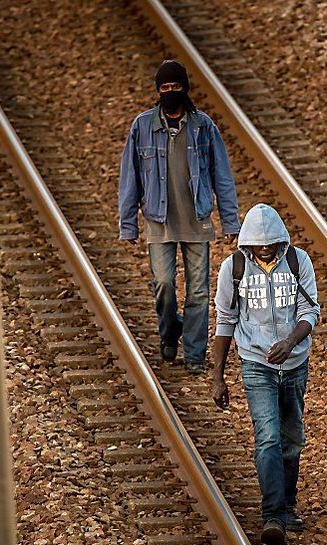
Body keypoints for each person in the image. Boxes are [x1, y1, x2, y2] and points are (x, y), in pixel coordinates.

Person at [118, 60, 240, 375]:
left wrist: (230, 222)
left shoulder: (203, 126)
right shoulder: (142, 126)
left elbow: (222, 176)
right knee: (163, 284)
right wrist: (128, 224)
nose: (171, 92)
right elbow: (130, 177)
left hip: (198, 221)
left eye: (176, 87)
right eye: (165, 88)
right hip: (159, 221)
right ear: (158, 91)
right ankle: (170, 330)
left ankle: (196, 356)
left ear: (185, 89)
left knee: (199, 291)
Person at [211, 203, 320, 545]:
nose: (265, 249)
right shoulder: (234, 269)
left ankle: (288, 504)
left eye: (271, 243)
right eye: (259, 245)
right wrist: (217, 375)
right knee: (268, 437)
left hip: (294, 363)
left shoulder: (297, 262)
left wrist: (290, 342)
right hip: (255, 363)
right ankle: (272, 514)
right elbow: (225, 320)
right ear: (247, 245)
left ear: (280, 240)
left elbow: (310, 309)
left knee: (292, 436)